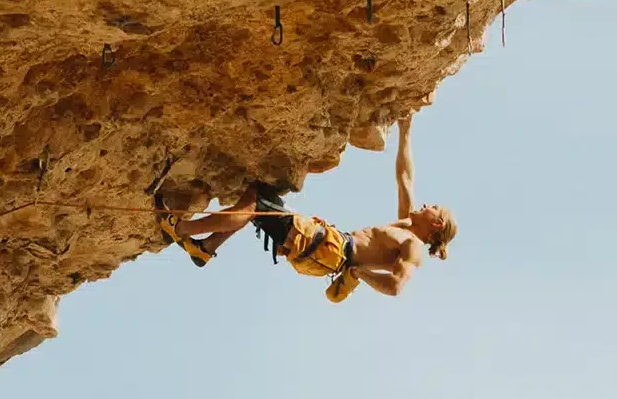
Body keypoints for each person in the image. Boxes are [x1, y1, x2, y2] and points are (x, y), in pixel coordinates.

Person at [157, 113, 456, 302]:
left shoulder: (413, 247)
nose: (426, 204)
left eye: (434, 208)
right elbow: (405, 176)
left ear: (437, 224)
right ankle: (205, 247)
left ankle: (180, 228)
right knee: (259, 195)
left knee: (254, 207)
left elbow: (395, 286)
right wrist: (406, 129)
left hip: (328, 247)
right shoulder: (405, 225)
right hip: (324, 246)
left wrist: (359, 272)